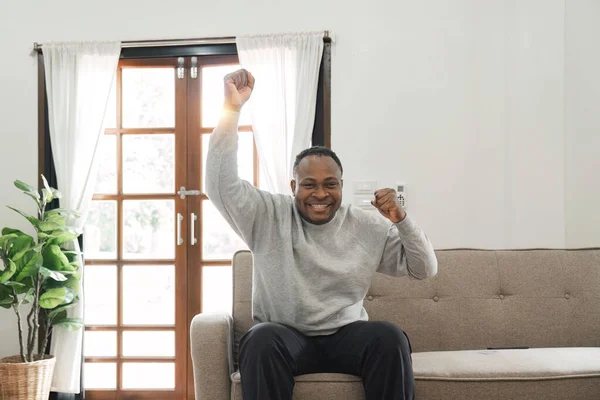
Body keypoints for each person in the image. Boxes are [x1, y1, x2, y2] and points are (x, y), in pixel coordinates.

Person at [205, 69, 438, 400]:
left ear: (341, 186)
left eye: (330, 184)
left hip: (346, 336)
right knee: (259, 339)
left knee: (389, 336)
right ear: (293, 187)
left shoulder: (367, 225)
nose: (320, 194)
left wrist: (401, 220)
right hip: (285, 337)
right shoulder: (265, 215)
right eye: (309, 184)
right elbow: (219, 185)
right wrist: (231, 110)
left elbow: (424, 268)